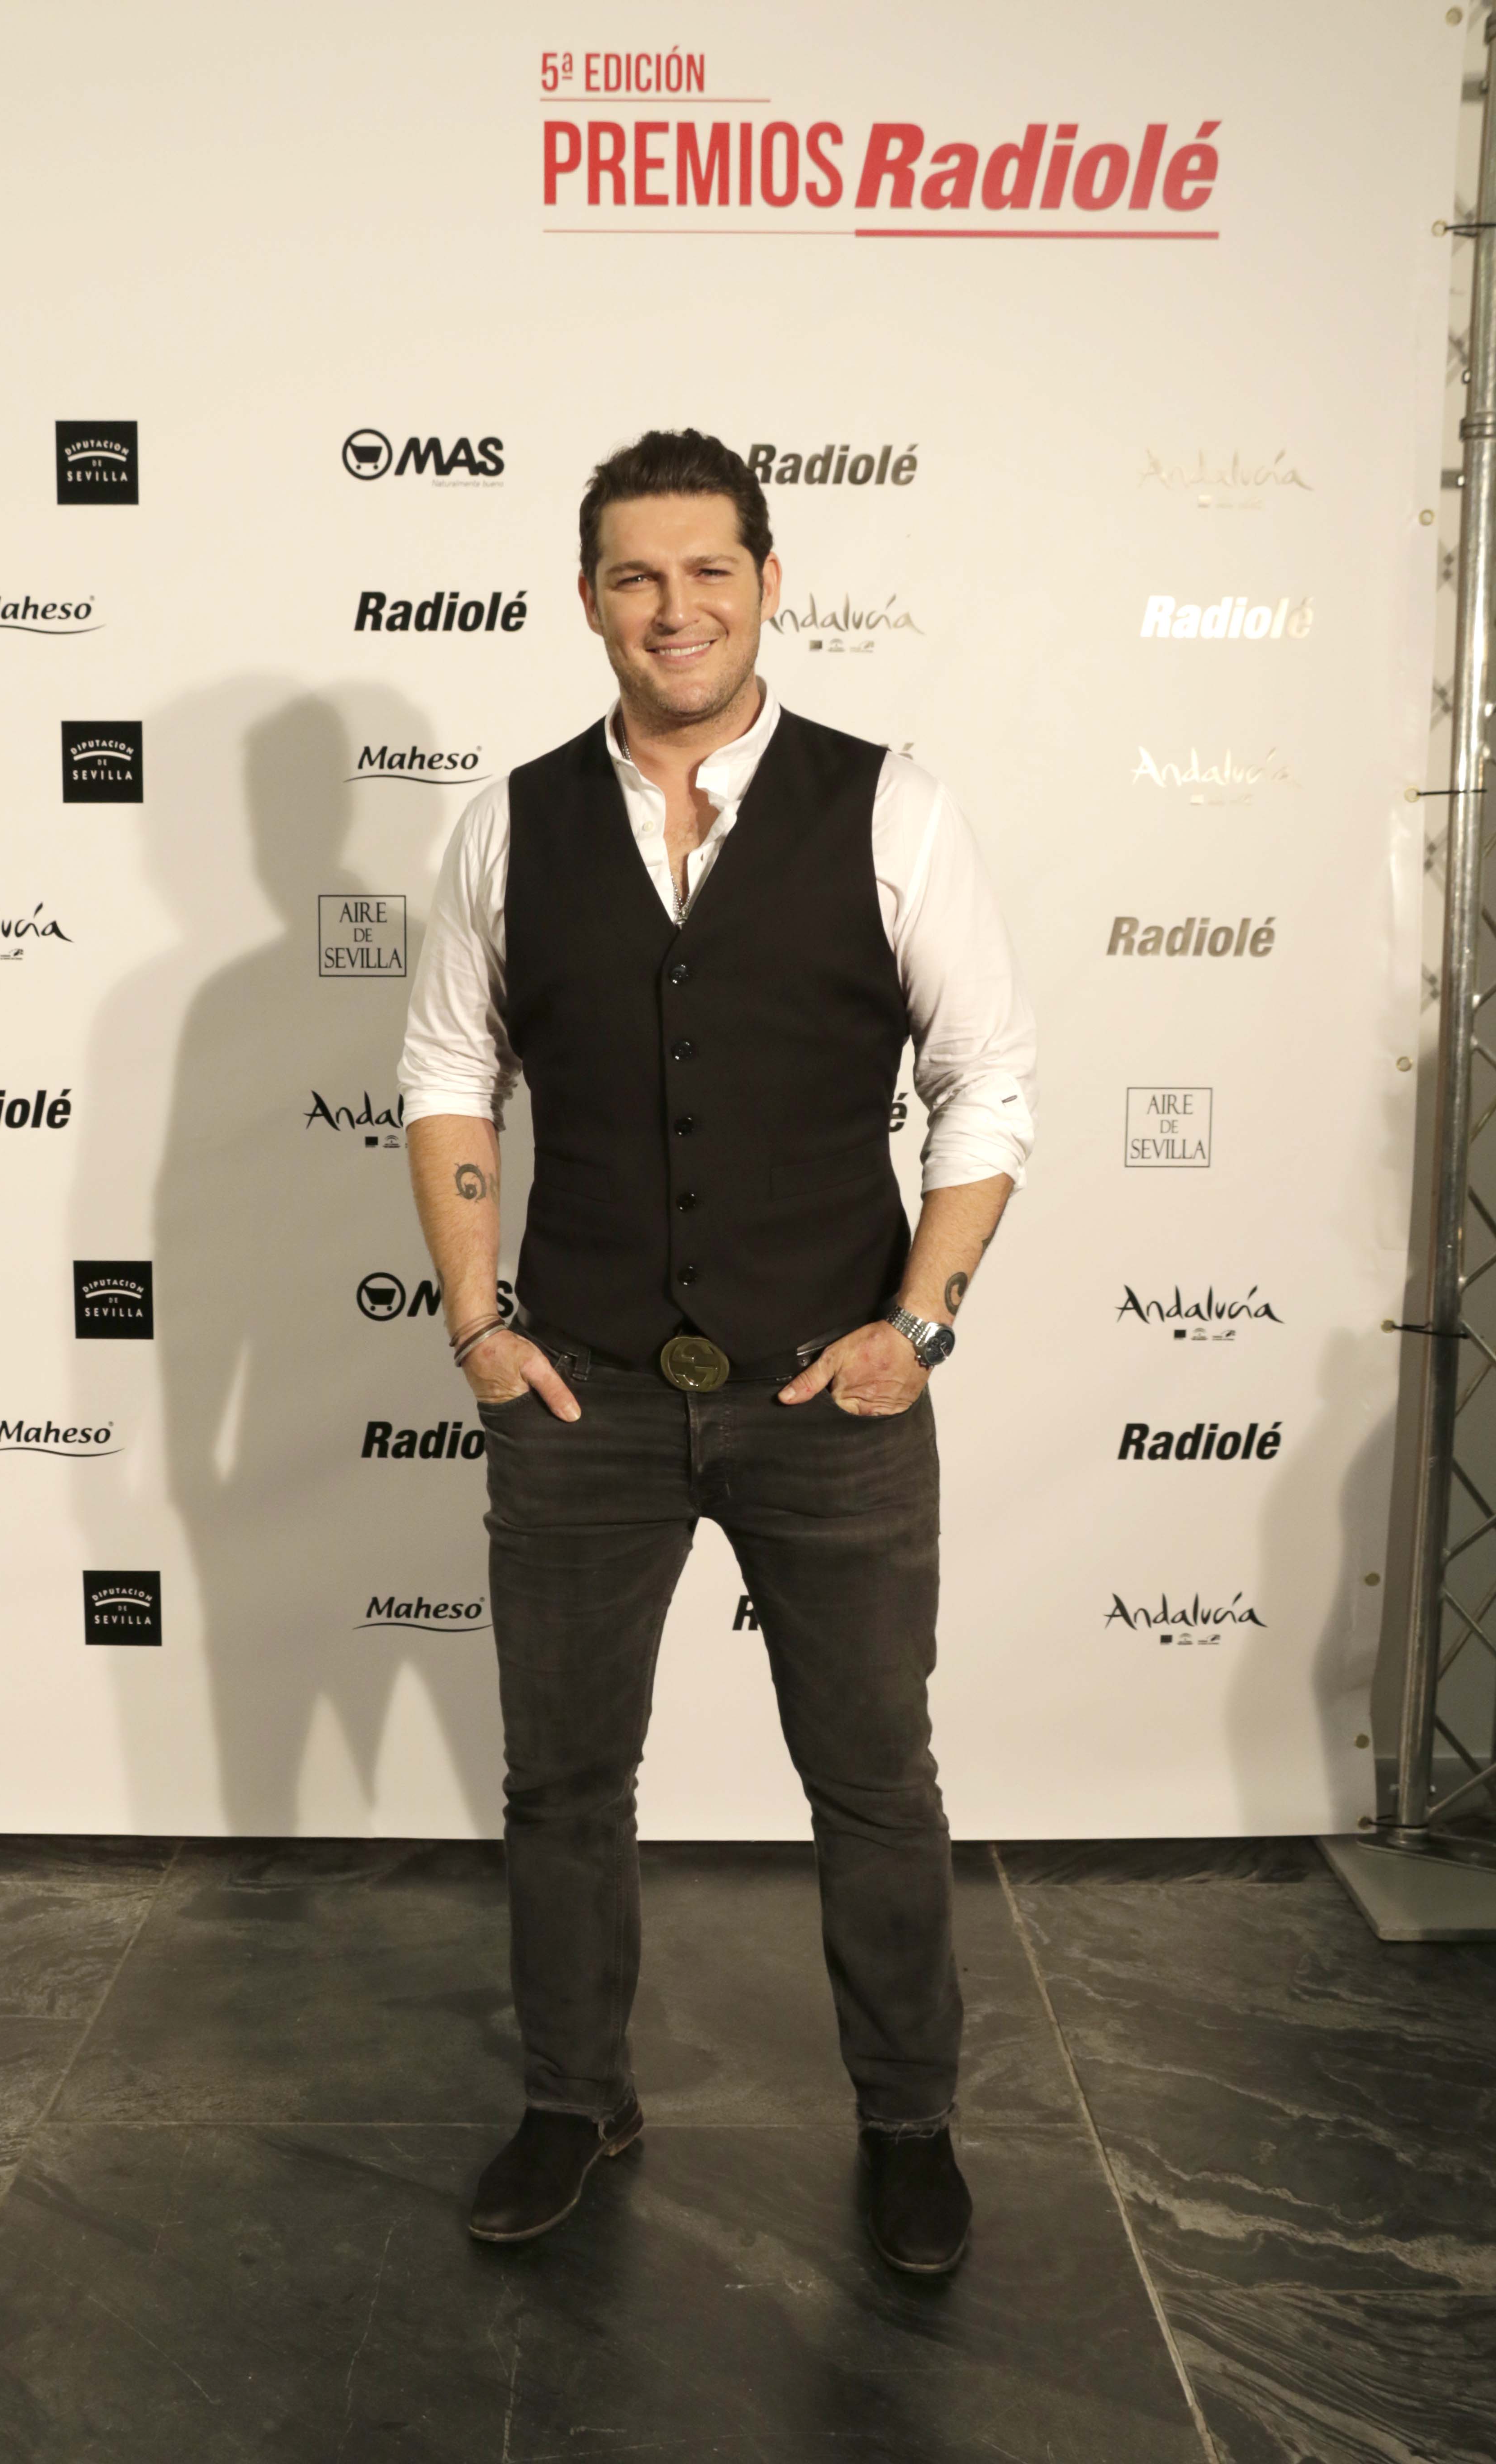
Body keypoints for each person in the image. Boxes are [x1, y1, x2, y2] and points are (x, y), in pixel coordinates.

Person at [400, 428, 1035, 2272]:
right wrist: (477, 1321)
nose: (673, 608)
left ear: (766, 584)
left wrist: (919, 1324)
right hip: (578, 1388)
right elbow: (449, 1071)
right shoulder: (508, 823)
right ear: (586, 598)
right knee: (562, 1782)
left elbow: (987, 1081)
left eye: (707, 571)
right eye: (634, 576)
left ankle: (908, 2123)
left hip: (834, 1389)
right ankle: (571, 2099)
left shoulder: (892, 808)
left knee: (875, 1778)